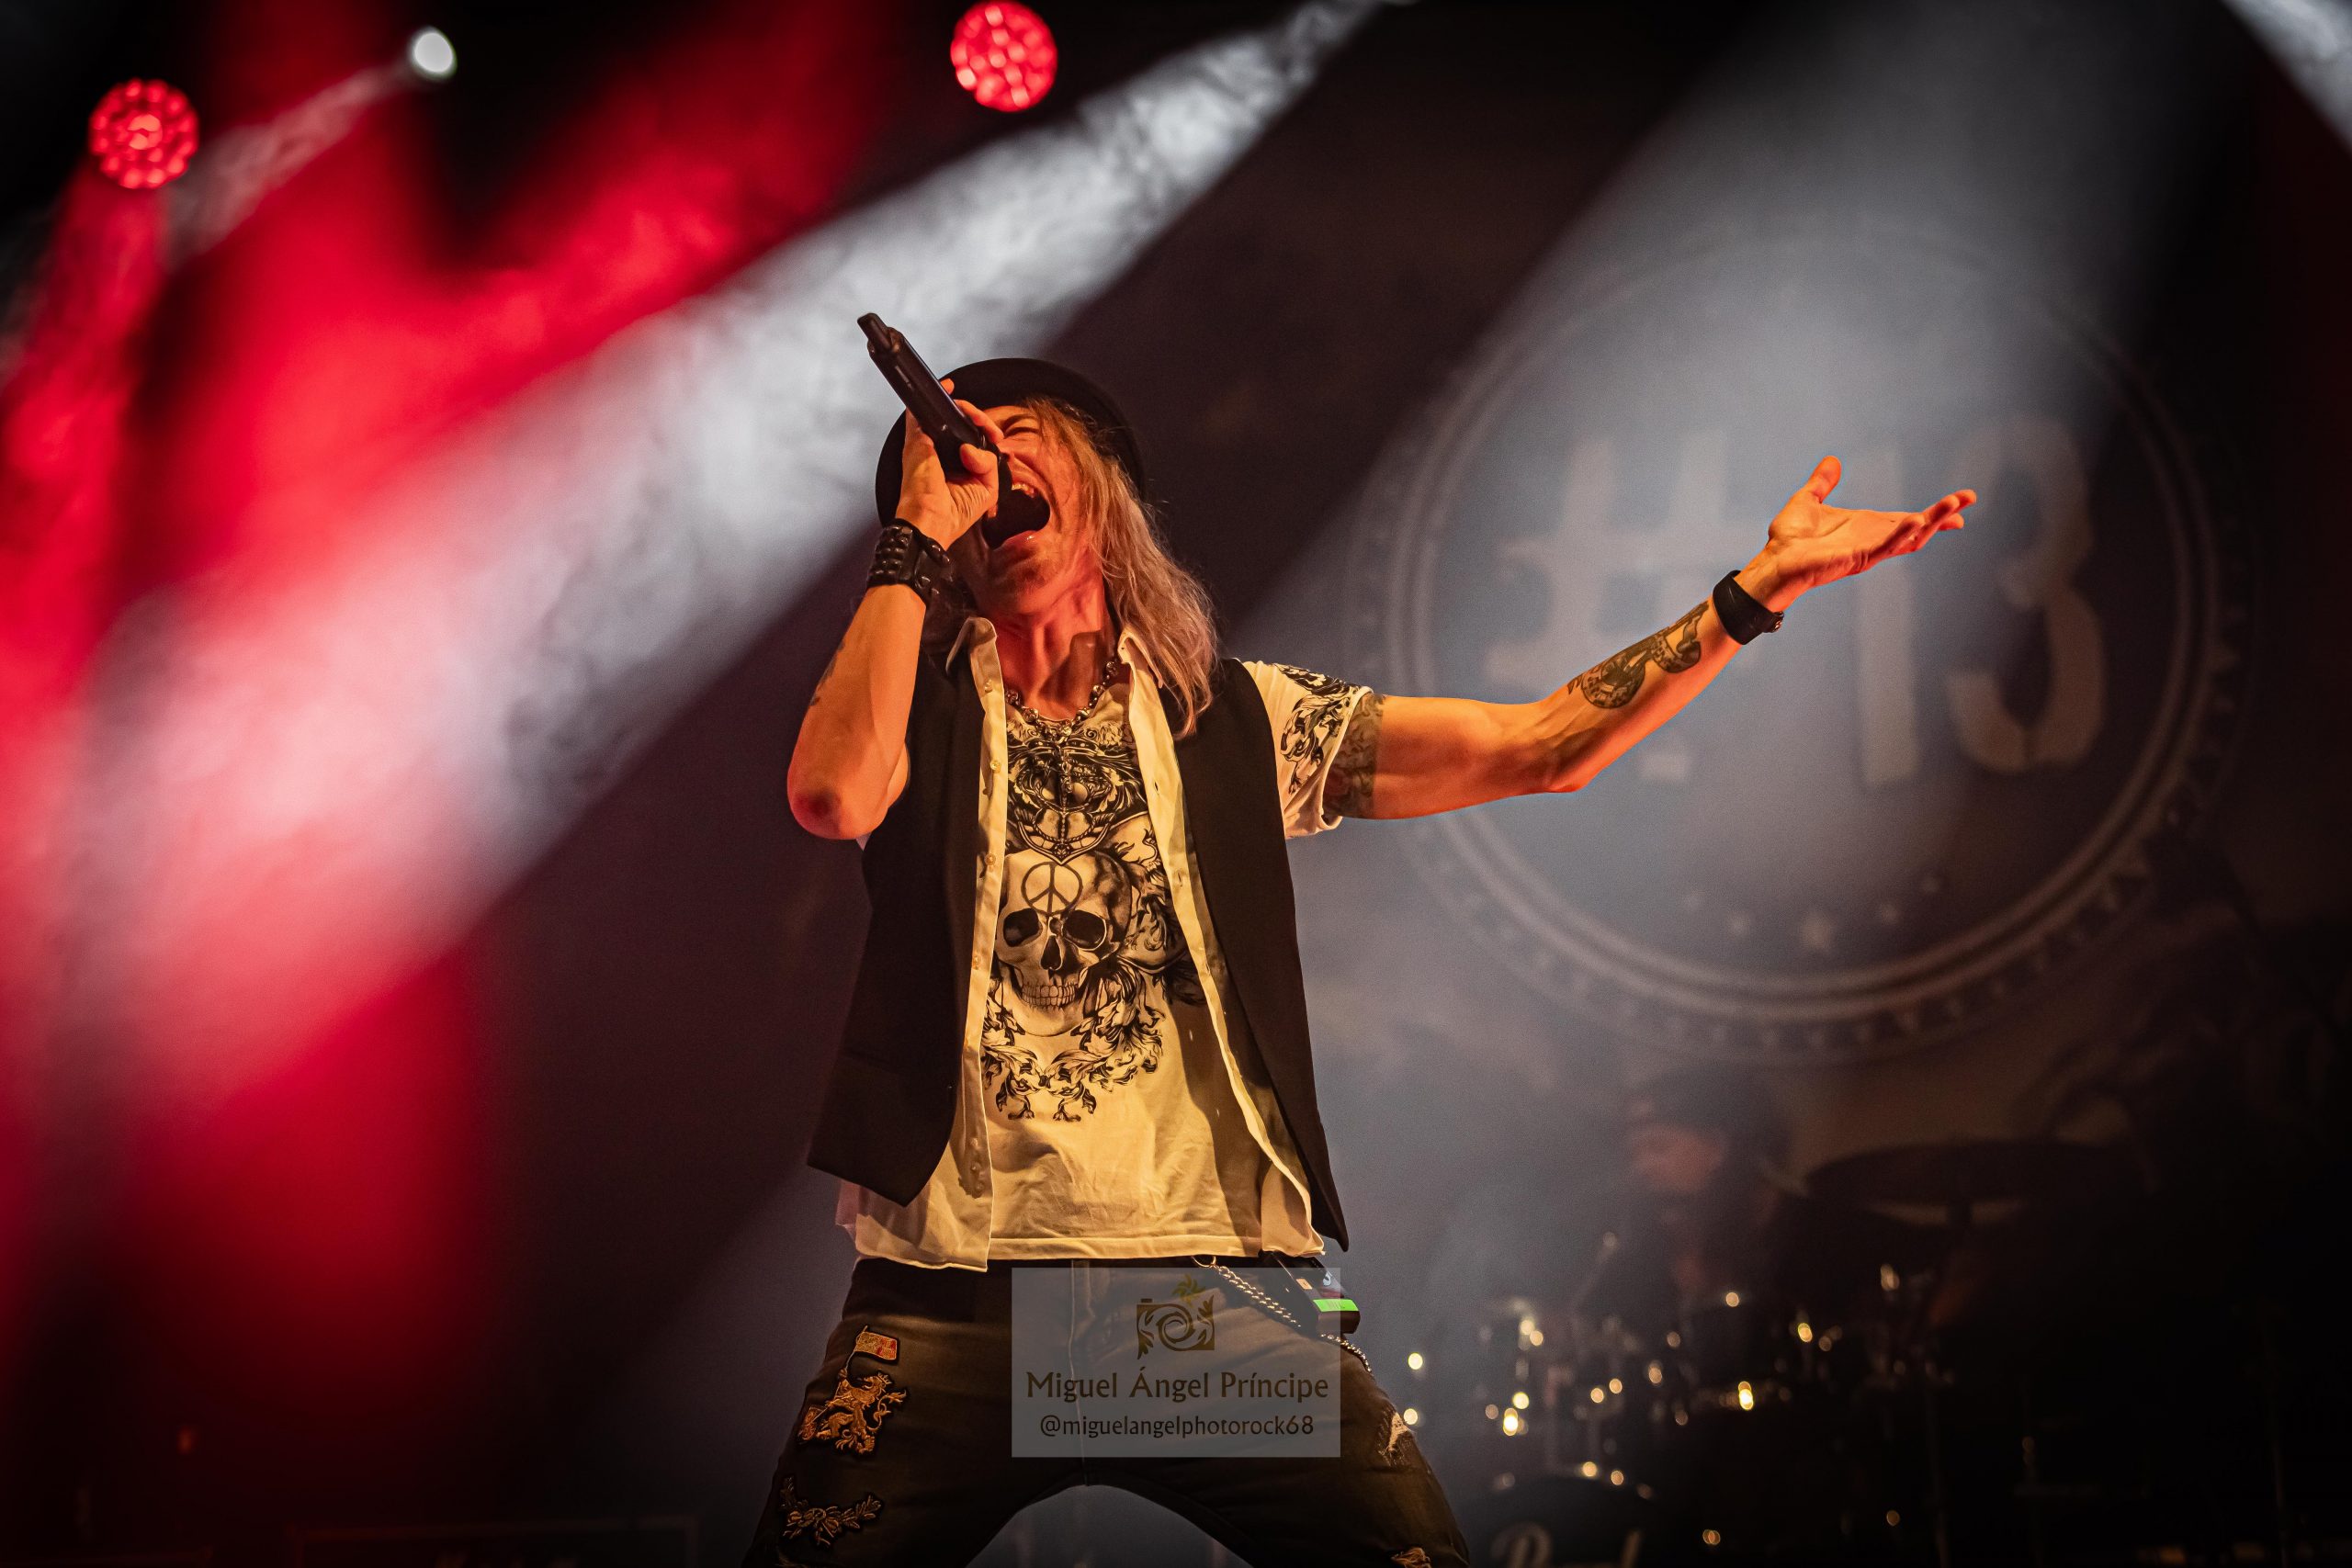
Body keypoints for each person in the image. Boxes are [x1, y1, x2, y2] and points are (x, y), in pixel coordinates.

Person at [750, 355, 1974, 1567]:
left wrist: (1754, 593)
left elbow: (1543, 746)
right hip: (954, 1302)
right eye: (944, 456)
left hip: (1211, 1304)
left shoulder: (1243, 721)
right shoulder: (911, 713)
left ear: (1098, 481)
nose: (975, 458)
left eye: (1013, 432)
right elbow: (831, 792)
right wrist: (914, 534)